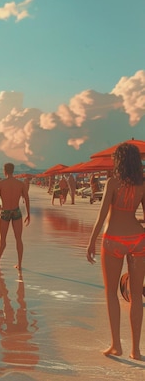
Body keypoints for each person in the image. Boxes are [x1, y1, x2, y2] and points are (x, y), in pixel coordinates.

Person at [86, 143, 145, 360]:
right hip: (138, 240)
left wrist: (91, 241)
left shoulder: (112, 182)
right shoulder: (142, 185)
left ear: (119, 160)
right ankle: (136, 351)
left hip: (113, 241)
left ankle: (116, 345)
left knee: (111, 293)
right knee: (136, 296)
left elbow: (102, 215)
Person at [0, 163, 30, 270]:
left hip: (5, 212)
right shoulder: (20, 184)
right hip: (16, 211)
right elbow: (26, 199)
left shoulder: (1, 183)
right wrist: (28, 214)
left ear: (5, 171)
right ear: (13, 170)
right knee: (19, 239)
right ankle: (19, 264)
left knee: (2, 240)